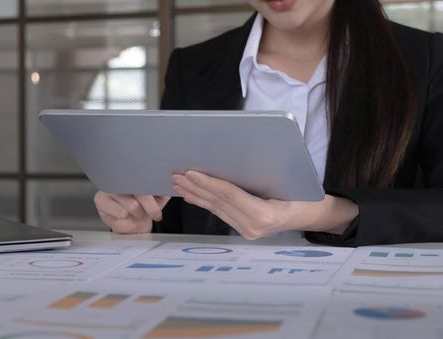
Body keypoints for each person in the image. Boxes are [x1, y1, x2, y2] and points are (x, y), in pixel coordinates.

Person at [93, 0, 443, 246]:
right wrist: (139, 220)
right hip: (216, 294)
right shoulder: (193, 65)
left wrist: (324, 214)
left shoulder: (426, 59)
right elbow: (175, 210)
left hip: (363, 303)